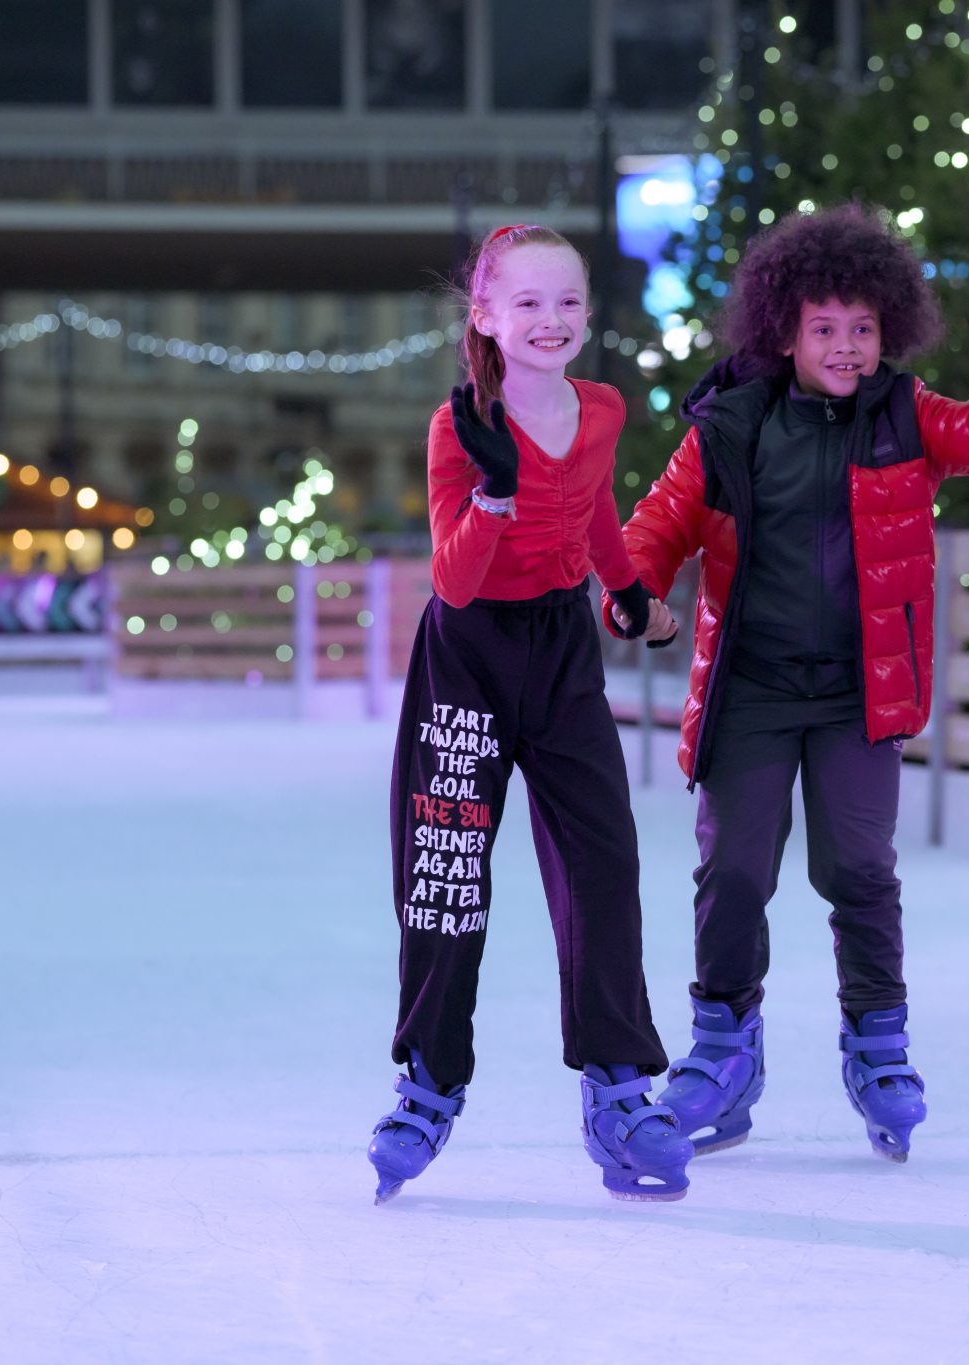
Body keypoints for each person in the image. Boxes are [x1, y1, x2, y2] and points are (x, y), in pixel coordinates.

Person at [610, 206, 969, 1162]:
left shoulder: (908, 418)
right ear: (785, 331)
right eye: (824, 328)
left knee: (860, 870)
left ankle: (878, 1048)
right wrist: (635, 593)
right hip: (750, 690)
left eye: (862, 328)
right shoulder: (731, 429)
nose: (845, 346)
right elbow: (656, 525)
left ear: (889, 331)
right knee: (734, 869)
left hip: (860, 697)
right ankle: (723, 1050)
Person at [368, 224, 693, 1203]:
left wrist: (625, 587)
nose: (549, 321)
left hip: (560, 652)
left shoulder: (599, 410)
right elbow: (453, 581)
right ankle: (428, 1078)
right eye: (526, 304)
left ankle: (618, 1086)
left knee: (601, 864)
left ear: (586, 315)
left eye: (566, 303)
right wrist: (497, 491)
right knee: (447, 874)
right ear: (485, 318)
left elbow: (593, 504)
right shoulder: (454, 427)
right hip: (465, 659)